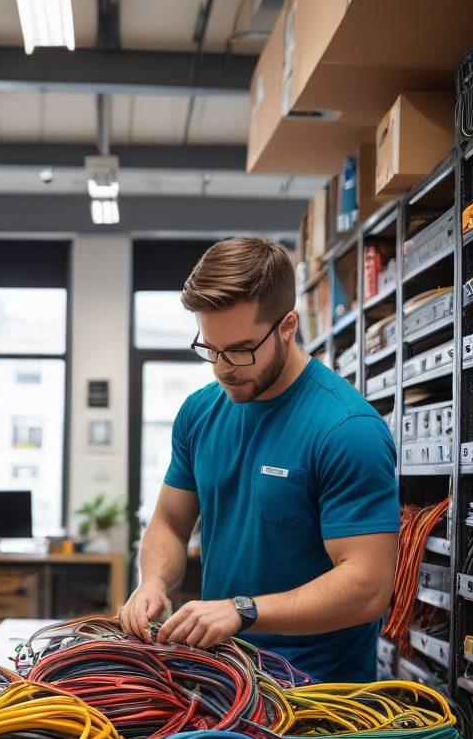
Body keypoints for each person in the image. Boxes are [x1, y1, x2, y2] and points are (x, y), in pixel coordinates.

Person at [120, 236, 400, 682]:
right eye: (211, 349)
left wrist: (243, 611)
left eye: (241, 349)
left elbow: (368, 587)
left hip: (317, 696)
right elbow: (170, 522)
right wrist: (153, 581)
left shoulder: (347, 429)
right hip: (223, 679)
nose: (224, 367)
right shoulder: (199, 412)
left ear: (287, 326)